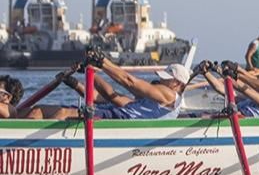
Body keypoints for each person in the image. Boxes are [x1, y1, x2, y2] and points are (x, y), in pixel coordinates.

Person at [27, 49, 189, 120]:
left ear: (176, 83)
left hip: (123, 121)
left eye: (165, 78)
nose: (161, 81)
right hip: (118, 113)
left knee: (63, 113)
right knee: (40, 110)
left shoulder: (170, 95)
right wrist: (86, 75)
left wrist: (102, 61)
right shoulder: (152, 101)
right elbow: (114, 97)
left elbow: (129, 81)